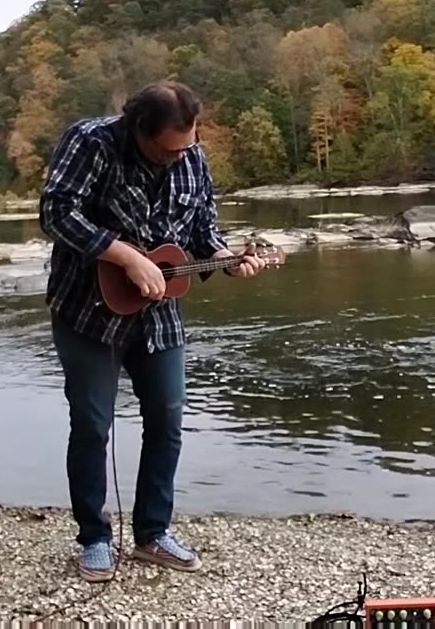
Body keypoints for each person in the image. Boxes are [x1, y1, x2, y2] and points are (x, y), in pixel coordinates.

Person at [38, 80, 266, 582]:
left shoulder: (191, 158)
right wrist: (123, 255)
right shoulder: (91, 141)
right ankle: (95, 539)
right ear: (139, 130)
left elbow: (205, 232)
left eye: (186, 145)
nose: (177, 156)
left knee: (167, 418)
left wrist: (228, 260)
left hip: (159, 315)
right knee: (93, 426)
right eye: (167, 149)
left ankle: (152, 533)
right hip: (86, 311)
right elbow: (55, 213)